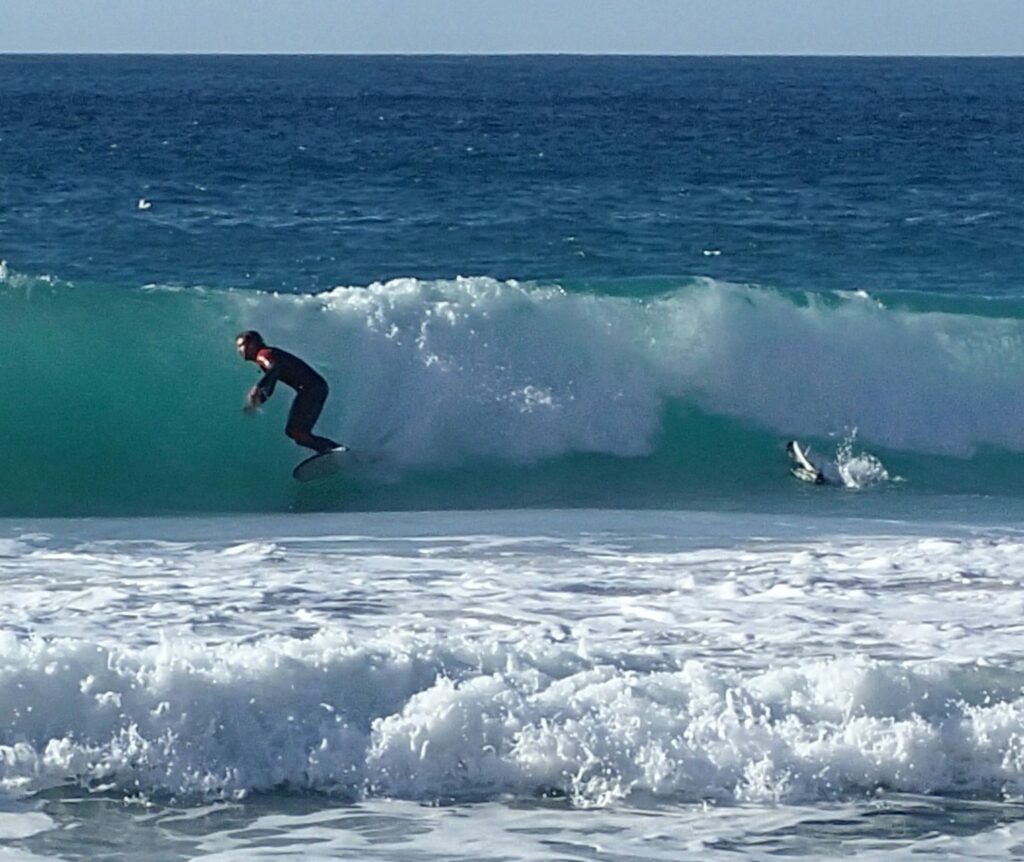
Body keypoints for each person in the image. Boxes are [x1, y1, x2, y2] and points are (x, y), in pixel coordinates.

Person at [236, 330, 342, 454]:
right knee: (298, 433)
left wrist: (258, 387)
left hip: (311, 389)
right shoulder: (268, 355)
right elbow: (271, 383)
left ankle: (332, 451)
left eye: (242, 345)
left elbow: (274, 368)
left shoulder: (264, 354)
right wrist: (258, 401)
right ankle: (335, 451)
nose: (239, 350)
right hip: (315, 388)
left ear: (253, 343)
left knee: (296, 431)